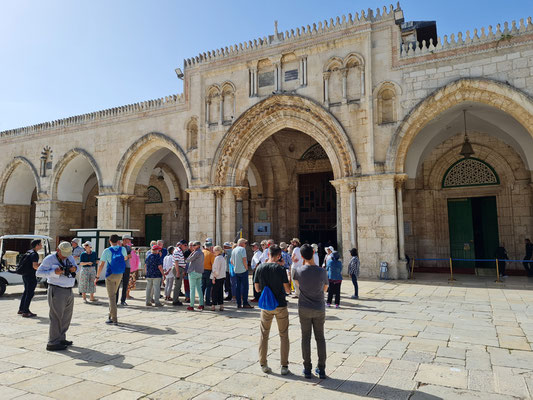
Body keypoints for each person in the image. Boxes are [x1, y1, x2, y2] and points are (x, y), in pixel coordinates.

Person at [292, 243, 329, 379]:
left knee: (305, 338)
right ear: (313, 253)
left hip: (304, 308)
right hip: (319, 307)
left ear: (301, 256)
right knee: (320, 338)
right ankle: (322, 368)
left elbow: (298, 286)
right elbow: (325, 288)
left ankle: (307, 369)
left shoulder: (298, 271)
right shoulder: (322, 271)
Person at [254, 244, 291, 376]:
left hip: (266, 306)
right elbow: (287, 290)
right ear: (279, 255)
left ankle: (263, 363)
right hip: (280, 305)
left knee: (264, 334)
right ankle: (284, 366)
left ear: (268, 254)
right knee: (284, 335)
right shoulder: (280, 269)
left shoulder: (260, 268)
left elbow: (257, 289)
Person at [36, 242, 78, 351]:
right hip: (57, 289)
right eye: (63, 254)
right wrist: (54, 272)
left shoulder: (69, 257)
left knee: (66, 316)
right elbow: (39, 273)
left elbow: (76, 267)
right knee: (56, 317)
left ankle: (61, 338)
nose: (65, 256)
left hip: (69, 289)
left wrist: (74, 269)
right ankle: (52, 342)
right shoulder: (49, 259)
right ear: (58, 250)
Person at [95, 234, 127, 325]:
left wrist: (97, 277)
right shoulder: (123, 249)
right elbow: (125, 258)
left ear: (109, 241)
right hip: (120, 274)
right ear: (118, 241)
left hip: (110, 275)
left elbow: (101, 265)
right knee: (114, 294)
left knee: (111, 297)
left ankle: (114, 319)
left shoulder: (107, 251)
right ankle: (109, 315)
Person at [18, 239, 42, 317]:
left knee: (26, 292)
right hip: (31, 275)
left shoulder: (28, 252)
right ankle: (26, 311)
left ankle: (21, 309)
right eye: (40, 244)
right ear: (37, 245)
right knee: (30, 293)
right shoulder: (34, 254)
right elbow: (35, 266)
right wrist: (41, 265)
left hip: (25, 275)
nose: (41, 246)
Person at [231, 238, 253, 309]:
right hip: (243, 270)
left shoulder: (234, 250)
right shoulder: (242, 249)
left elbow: (231, 261)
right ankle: (245, 303)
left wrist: (235, 266)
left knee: (238, 287)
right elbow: (244, 259)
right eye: (245, 243)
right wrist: (246, 267)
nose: (246, 245)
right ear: (242, 243)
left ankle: (238, 303)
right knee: (245, 287)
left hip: (236, 270)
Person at [186, 241, 205, 311]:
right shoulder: (201, 253)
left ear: (198, 246)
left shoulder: (196, 253)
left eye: (194, 245)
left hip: (193, 272)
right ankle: (201, 304)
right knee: (199, 289)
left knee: (192, 289)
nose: (193, 246)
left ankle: (191, 305)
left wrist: (191, 254)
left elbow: (188, 260)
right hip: (199, 272)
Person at [116, 234, 133, 306]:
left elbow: (129, 256)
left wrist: (127, 256)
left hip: (127, 267)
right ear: (125, 239)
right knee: (117, 284)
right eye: (129, 239)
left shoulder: (128, 247)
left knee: (125, 284)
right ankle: (115, 300)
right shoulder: (118, 247)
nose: (130, 241)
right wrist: (126, 256)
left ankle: (123, 300)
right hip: (119, 267)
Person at [172, 240, 188, 306]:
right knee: (177, 285)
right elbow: (176, 262)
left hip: (180, 268)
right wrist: (178, 272)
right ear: (181, 245)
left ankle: (176, 299)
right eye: (185, 245)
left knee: (178, 285)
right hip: (178, 268)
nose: (186, 247)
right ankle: (175, 300)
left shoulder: (180, 251)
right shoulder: (178, 251)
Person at [210, 246, 226, 311]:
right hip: (222, 276)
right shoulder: (222, 258)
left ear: (218, 251)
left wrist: (214, 277)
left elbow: (216, 269)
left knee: (214, 291)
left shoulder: (217, 258)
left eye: (214, 250)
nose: (213, 252)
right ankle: (221, 305)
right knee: (220, 291)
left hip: (217, 277)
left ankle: (213, 305)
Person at [202, 239, 215, 306]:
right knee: (208, 286)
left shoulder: (201, 252)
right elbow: (213, 264)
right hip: (208, 271)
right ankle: (207, 301)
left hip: (201, 271)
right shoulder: (211, 254)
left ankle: (201, 301)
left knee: (202, 287)